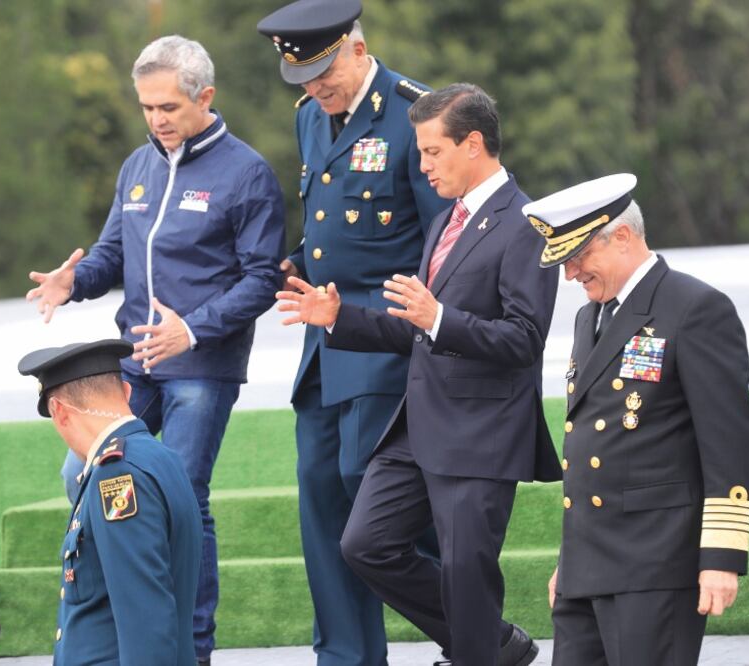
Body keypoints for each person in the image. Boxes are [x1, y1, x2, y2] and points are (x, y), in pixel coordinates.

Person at [277, 83, 560, 666]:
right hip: (418, 424)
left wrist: (440, 318)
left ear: (473, 144)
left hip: (480, 431)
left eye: (433, 151)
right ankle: (494, 644)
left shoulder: (526, 225)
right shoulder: (448, 220)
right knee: (365, 544)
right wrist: (340, 319)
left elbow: (524, 340)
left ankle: (480, 650)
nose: (423, 164)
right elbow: (418, 330)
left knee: (466, 574)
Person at [25, 36, 284, 665]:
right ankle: (117, 620)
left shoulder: (247, 172)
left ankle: (191, 647)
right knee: (78, 473)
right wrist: (72, 282)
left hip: (201, 363)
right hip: (135, 363)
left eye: (168, 106)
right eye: (146, 107)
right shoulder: (136, 167)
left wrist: (190, 330)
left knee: (183, 491)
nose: (156, 119)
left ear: (205, 96)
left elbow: (262, 279)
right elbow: (111, 256)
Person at [256, 2, 449, 663]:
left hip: (385, 336)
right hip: (322, 342)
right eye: (302, 78)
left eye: (323, 74)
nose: (314, 88)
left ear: (358, 51)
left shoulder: (418, 114)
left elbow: (446, 238)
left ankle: (474, 633)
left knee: (379, 499)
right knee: (321, 495)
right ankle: (345, 655)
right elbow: (326, 219)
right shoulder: (310, 116)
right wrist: (297, 263)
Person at [524, 174, 749, 666]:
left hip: (655, 564)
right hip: (587, 565)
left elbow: (729, 445)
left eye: (578, 256)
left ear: (623, 237)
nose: (570, 274)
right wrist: (570, 561)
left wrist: (721, 557)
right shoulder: (589, 317)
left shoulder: (694, 308)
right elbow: (592, 443)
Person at [17, 339, 201, 664]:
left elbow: (146, 618)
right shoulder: (159, 457)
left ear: (59, 411)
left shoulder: (117, 475)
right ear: (127, 393)